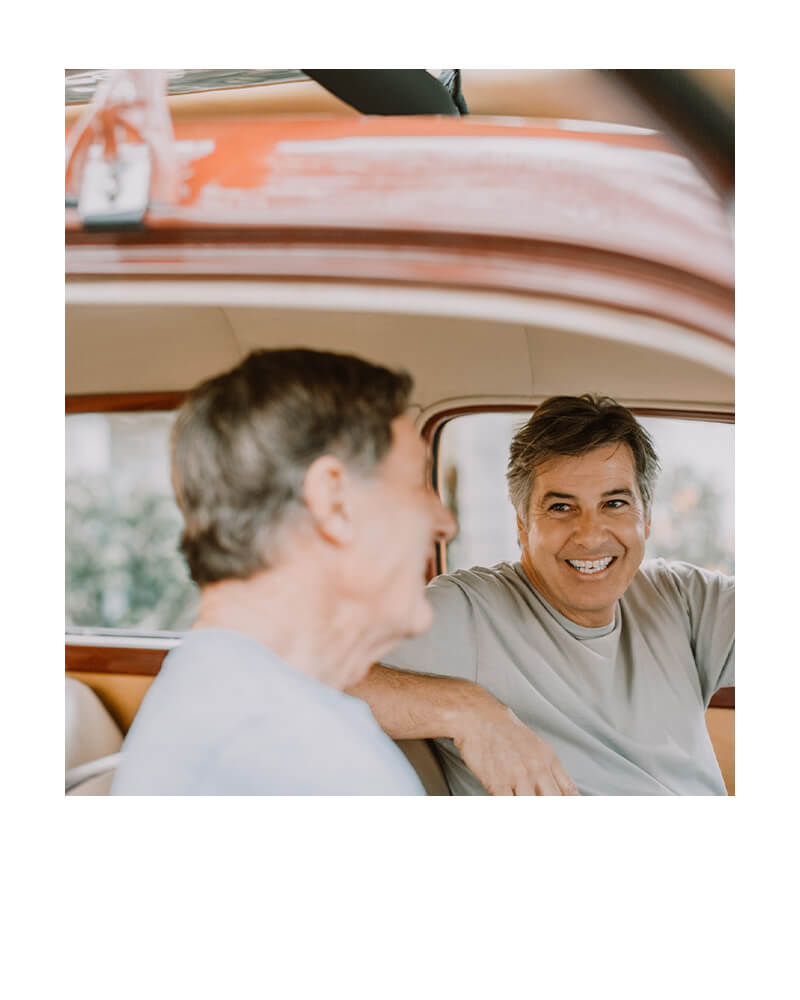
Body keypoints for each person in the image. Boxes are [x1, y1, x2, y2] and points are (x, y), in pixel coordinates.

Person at [349, 394, 734, 796]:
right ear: (521, 523)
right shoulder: (468, 611)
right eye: (561, 508)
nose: (590, 535)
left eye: (615, 503)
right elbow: (298, 673)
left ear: (647, 516)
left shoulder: (685, 599)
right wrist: (467, 710)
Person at [111, 348, 456, 795]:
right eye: (416, 484)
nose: (446, 523)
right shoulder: (298, 753)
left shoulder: (228, 689)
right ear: (333, 502)